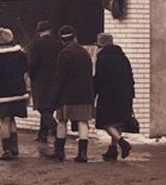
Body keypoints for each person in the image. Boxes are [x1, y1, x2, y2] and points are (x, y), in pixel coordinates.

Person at [48, 24, 95, 162]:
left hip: (67, 95)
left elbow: (59, 78)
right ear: (75, 37)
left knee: (62, 121)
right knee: (83, 122)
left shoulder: (64, 53)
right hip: (85, 94)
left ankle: (59, 151)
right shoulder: (85, 52)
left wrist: (54, 97)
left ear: (63, 40)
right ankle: (82, 153)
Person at [0, 27, 29, 161]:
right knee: (12, 119)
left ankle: (7, 150)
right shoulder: (20, 54)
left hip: (2, 93)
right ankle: (15, 148)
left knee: (4, 120)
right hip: (17, 91)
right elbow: (25, 69)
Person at [93, 33, 135, 161]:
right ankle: (112, 149)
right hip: (125, 94)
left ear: (101, 46)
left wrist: (93, 93)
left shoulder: (102, 58)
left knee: (105, 122)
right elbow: (130, 76)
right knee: (118, 122)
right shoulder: (123, 57)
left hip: (108, 95)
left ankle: (122, 143)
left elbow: (99, 78)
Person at [26, 20, 62, 143]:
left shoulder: (34, 44)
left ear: (38, 31)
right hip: (55, 79)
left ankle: (55, 128)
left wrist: (32, 77)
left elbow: (32, 64)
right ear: (50, 30)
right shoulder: (58, 44)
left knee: (41, 107)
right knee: (49, 107)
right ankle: (42, 134)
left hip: (40, 80)